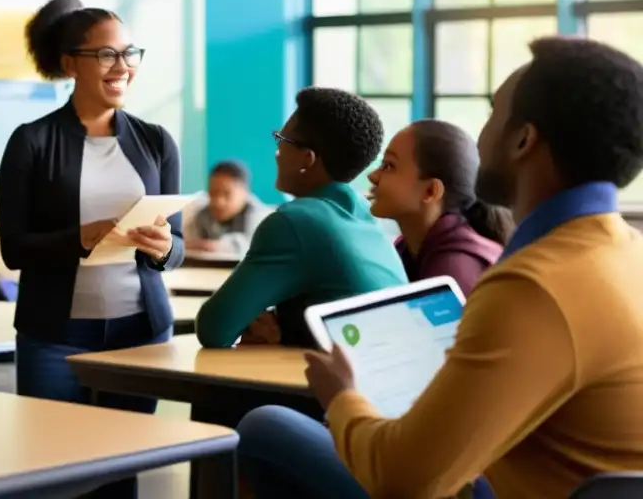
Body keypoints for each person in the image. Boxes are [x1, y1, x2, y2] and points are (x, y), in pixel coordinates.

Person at [237, 36, 643, 499]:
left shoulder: (534, 286)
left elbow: (404, 480)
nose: (481, 134)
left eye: (492, 113)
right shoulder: (627, 253)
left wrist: (343, 396)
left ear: (524, 139)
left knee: (263, 426)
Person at [0, 0, 184, 498]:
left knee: (121, 472)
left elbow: (177, 248)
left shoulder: (157, 141)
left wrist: (165, 247)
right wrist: (79, 237)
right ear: (69, 63)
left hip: (141, 335)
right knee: (55, 474)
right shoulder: (31, 142)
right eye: (105, 55)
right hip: (55, 339)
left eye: (129, 54)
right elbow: (13, 249)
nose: (121, 67)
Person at [195, 87, 407, 349]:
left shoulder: (294, 222)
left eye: (281, 140)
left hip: (341, 384)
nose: (276, 152)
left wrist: (265, 324)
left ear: (307, 159)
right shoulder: (361, 214)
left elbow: (213, 329)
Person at [367, 119, 510, 296]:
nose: (372, 176)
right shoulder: (410, 249)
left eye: (389, 166)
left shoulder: (454, 268)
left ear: (430, 191)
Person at [185, 161, 270, 256]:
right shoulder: (199, 213)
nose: (219, 202)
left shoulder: (261, 218)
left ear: (244, 192)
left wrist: (211, 246)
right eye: (213, 193)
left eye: (227, 194)